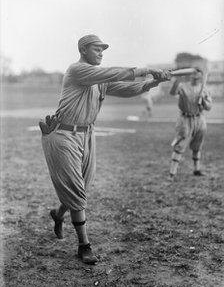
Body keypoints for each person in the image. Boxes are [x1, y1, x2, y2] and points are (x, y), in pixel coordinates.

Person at [39, 34, 171, 264]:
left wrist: (153, 82)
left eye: (103, 50)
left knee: (81, 188)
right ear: (83, 50)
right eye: (97, 49)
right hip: (63, 135)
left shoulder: (99, 79)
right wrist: (147, 69)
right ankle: (84, 246)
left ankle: (58, 215)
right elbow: (114, 73)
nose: (101, 53)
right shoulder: (77, 70)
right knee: (77, 192)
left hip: (87, 135)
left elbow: (125, 88)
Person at [168, 68, 212, 180]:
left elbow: (209, 107)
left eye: (198, 74)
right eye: (193, 74)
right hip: (185, 119)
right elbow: (172, 93)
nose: (195, 76)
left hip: (199, 119)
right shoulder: (182, 86)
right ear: (190, 75)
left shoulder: (204, 89)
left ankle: (196, 169)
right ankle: (172, 174)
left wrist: (204, 101)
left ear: (201, 76)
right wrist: (176, 80)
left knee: (197, 145)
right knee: (180, 144)